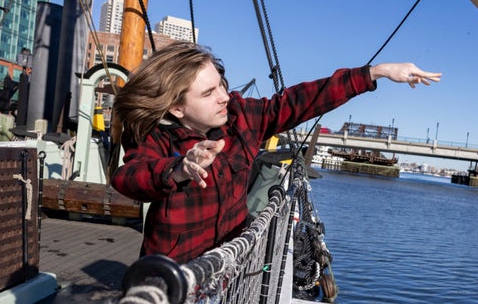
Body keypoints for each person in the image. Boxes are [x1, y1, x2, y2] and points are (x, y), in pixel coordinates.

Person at [111, 41, 441, 263]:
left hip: (227, 268)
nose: (224, 96)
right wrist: (178, 169)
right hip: (172, 278)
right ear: (178, 108)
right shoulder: (157, 137)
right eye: (209, 93)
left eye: (222, 85)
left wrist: (374, 73)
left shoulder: (240, 117)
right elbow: (129, 178)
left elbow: (299, 101)